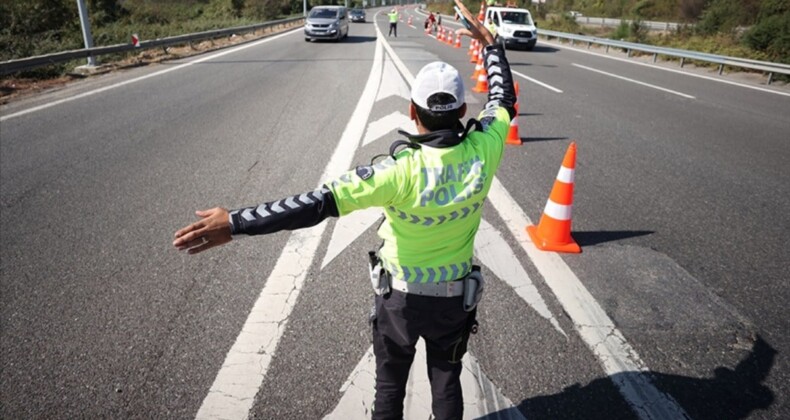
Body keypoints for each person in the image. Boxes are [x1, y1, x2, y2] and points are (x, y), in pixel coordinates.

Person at [172, 0, 516, 418]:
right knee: (446, 382)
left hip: (400, 302)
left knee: (389, 388)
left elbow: (314, 204)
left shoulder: (395, 172)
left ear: (412, 112)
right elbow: (503, 98)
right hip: (453, 299)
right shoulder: (486, 147)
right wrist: (492, 46)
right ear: (463, 111)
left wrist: (237, 222)